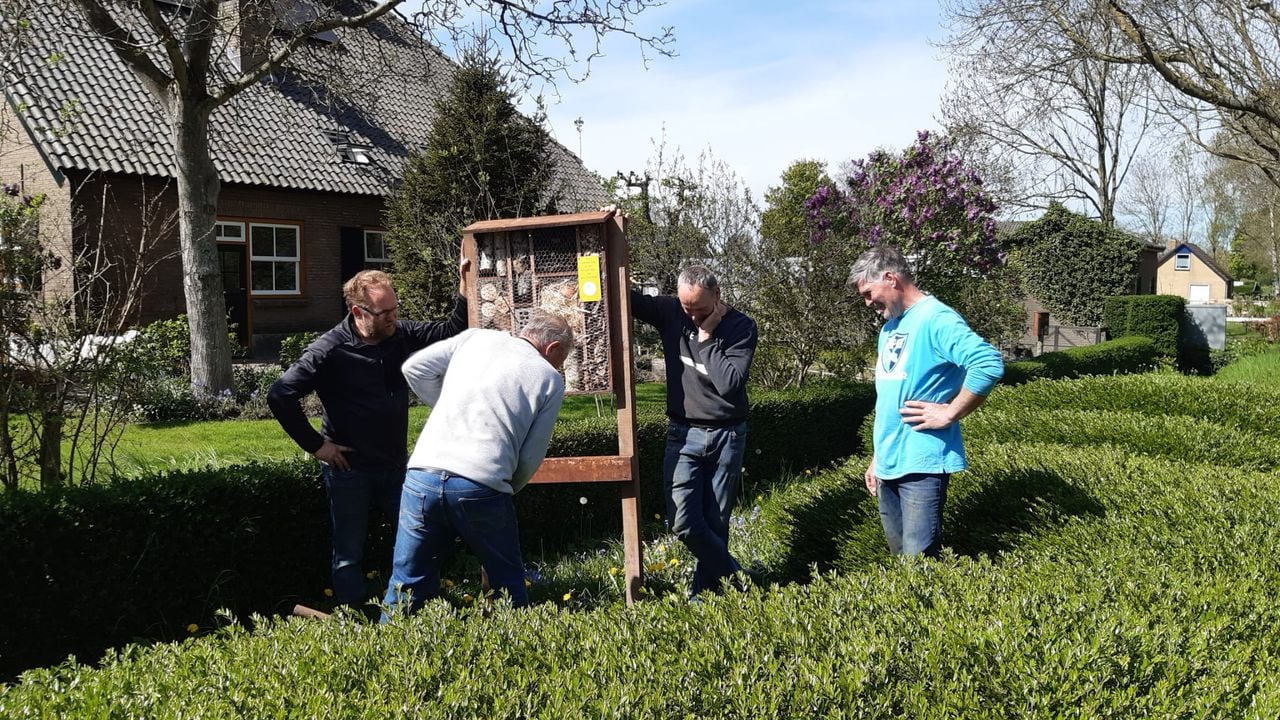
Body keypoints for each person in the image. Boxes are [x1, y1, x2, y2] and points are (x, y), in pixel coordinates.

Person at [267, 261, 470, 606]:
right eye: (384, 312)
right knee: (348, 550)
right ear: (358, 311)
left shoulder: (400, 335)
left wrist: (466, 286)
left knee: (420, 536)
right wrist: (318, 447)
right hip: (349, 468)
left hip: (395, 464)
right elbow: (280, 394)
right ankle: (354, 614)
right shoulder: (328, 350)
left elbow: (452, 329)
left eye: (394, 309)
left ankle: (421, 603)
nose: (393, 317)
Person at [381, 311, 571, 615]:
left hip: (422, 474)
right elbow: (531, 456)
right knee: (506, 583)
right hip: (481, 482)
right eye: (560, 360)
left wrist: (452, 406)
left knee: (406, 582)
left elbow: (415, 368)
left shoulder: (476, 337)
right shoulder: (548, 378)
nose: (557, 367)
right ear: (552, 350)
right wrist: (508, 486)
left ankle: (385, 651)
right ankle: (515, 654)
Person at [851, 245, 1004, 557]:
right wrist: (878, 457)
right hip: (889, 463)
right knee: (900, 559)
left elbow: (988, 363)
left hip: (922, 464)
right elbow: (891, 399)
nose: (867, 303)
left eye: (868, 292)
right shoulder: (890, 326)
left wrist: (950, 412)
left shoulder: (936, 318)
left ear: (890, 278)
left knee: (918, 563)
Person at [631, 266, 758, 596]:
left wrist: (707, 338)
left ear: (717, 296)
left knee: (716, 523)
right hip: (683, 434)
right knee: (683, 522)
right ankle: (737, 580)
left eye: (699, 309)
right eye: (687, 308)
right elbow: (624, 299)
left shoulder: (741, 327)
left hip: (727, 435)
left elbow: (729, 384)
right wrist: (597, 256)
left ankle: (707, 597)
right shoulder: (671, 311)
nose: (692, 316)